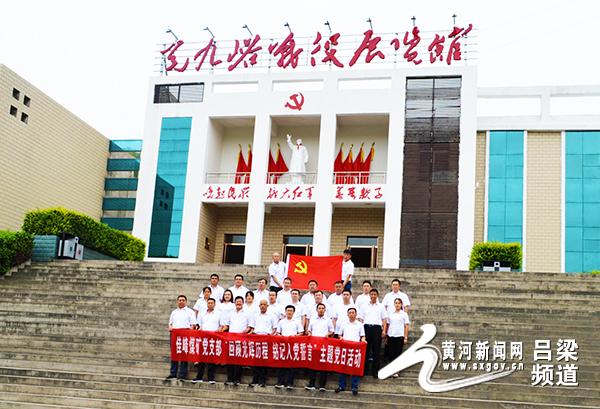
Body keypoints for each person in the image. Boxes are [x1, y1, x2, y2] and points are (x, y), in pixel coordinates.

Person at [192, 298, 228, 383]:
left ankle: (211, 378)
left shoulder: (219, 314)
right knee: (201, 358)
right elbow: (199, 325)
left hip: (214, 338)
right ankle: (199, 377)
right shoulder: (202, 313)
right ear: (207, 304)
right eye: (209, 303)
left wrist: (218, 330)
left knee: (212, 358)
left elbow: (222, 326)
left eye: (212, 303)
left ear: (215, 304)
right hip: (203, 337)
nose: (210, 304)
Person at [336, 308, 366, 396]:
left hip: (355, 348)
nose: (351, 314)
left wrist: (363, 340)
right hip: (345, 348)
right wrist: (341, 338)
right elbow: (339, 335)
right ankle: (341, 386)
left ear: (356, 314)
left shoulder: (360, 324)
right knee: (343, 367)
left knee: (355, 367)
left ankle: (354, 387)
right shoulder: (344, 324)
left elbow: (362, 336)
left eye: (353, 313)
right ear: (347, 314)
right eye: (350, 313)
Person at [166, 295, 196, 381]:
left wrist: (189, 333)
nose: (181, 301)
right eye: (180, 300)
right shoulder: (174, 312)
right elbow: (170, 323)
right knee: (174, 354)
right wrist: (170, 327)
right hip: (175, 335)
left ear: (186, 302)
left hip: (185, 335)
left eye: (183, 300)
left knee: (184, 354)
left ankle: (182, 374)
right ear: (177, 302)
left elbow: (193, 324)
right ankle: (173, 373)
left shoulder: (190, 312)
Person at [225, 296, 254, 386]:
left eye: (240, 301)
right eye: (237, 301)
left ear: (243, 302)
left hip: (241, 339)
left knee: (239, 360)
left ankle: (237, 379)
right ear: (234, 303)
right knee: (230, 359)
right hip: (231, 339)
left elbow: (250, 326)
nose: (238, 303)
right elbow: (227, 326)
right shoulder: (230, 313)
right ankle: (229, 378)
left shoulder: (247, 313)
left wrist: (245, 331)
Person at [306, 302, 334, 391]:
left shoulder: (328, 320)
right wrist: (309, 334)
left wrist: (328, 334)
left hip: (324, 346)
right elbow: (309, 330)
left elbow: (332, 331)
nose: (321, 310)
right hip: (314, 345)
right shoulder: (313, 319)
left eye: (322, 308)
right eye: (319, 308)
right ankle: (311, 384)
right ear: (317, 310)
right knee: (312, 365)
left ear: (325, 310)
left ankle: (322, 385)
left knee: (323, 366)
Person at [275, 305, 304, 389]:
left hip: (293, 345)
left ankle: (290, 383)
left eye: (291, 311)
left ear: (293, 312)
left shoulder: (297, 321)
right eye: (288, 310)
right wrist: (282, 337)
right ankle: (280, 382)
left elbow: (301, 333)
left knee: (291, 365)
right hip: (283, 345)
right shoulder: (281, 322)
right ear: (285, 312)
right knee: (281, 364)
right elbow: (278, 333)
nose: (289, 312)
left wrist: (294, 337)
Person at [360, 289, 387, 378]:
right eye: (371, 294)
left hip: (377, 329)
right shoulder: (364, 306)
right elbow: (361, 319)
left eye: (375, 294)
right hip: (366, 328)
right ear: (369, 295)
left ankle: (375, 372)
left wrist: (384, 330)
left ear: (377, 295)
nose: (373, 296)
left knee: (376, 351)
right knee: (365, 350)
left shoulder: (381, 306)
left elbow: (384, 319)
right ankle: (364, 370)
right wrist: (361, 332)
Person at [250, 299, 278, 387]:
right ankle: (255, 379)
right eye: (261, 304)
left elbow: (275, 328)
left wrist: (270, 336)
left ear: (267, 306)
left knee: (264, 361)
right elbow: (252, 328)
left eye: (264, 304)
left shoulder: (272, 315)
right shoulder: (255, 315)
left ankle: (263, 380)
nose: (262, 306)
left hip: (266, 339)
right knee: (255, 361)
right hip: (256, 339)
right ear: (259, 306)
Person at [386, 298, 410, 378]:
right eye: (396, 303)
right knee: (391, 354)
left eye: (399, 303)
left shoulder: (404, 314)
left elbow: (406, 326)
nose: (397, 304)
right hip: (391, 336)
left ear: (401, 304)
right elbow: (388, 325)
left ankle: (396, 371)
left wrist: (405, 337)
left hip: (399, 336)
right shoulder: (391, 314)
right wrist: (386, 336)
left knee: (398, 354)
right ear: (394, 304)